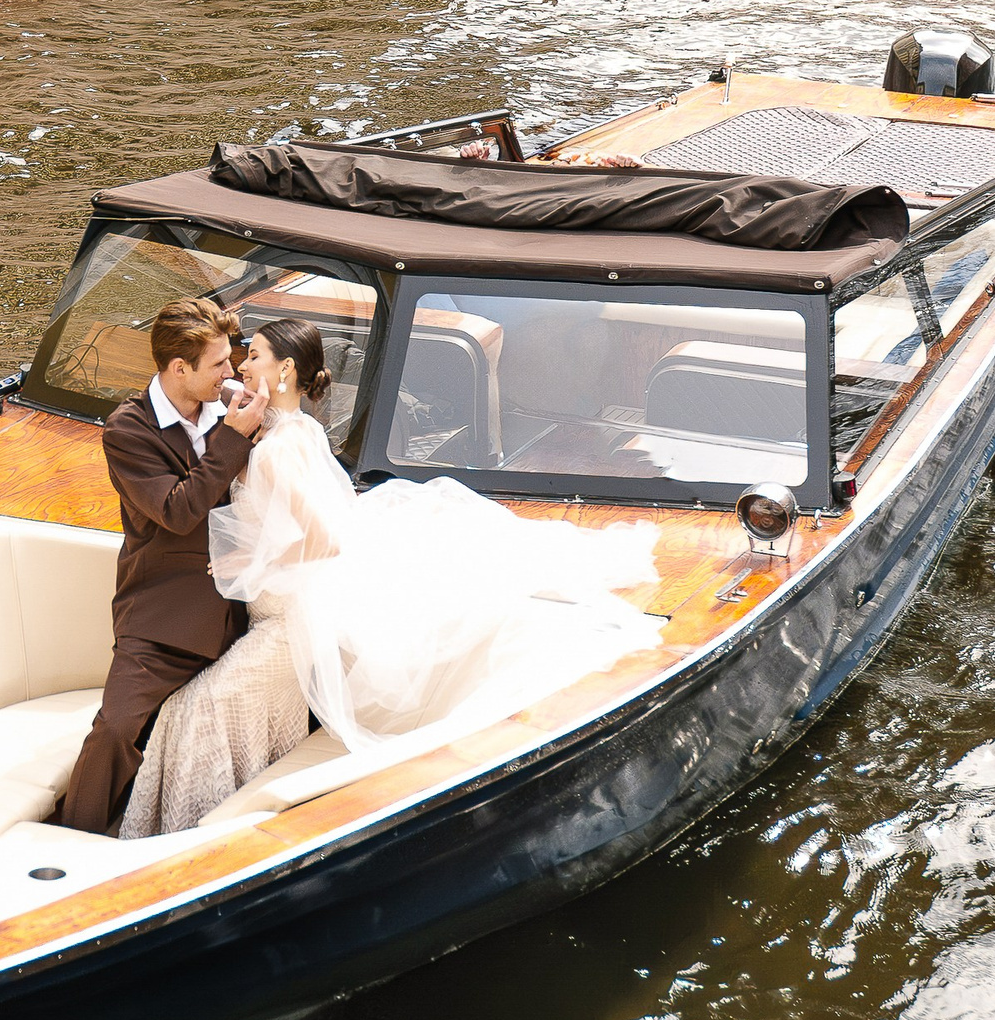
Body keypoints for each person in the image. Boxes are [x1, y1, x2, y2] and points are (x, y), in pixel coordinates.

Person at [120, 315, 665, 839]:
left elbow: (322, 541)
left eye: (252, 356)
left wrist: (244, 563)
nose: (239, 365)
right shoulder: (296, 429)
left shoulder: (277, 449)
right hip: (284, 614)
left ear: (284, 371)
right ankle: (219, 820)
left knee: (198, 709)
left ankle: (178, 837)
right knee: (222, 709)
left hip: (286, 622)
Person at [57, 293, 266, 836]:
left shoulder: (236, 410)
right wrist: (232, 439)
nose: (232, 369)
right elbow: (177, 512)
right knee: (115, 730)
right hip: (164, 618)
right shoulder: (128, 431)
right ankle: (75, 840)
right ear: (180, 368)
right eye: (220, 362)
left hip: (247, 612)